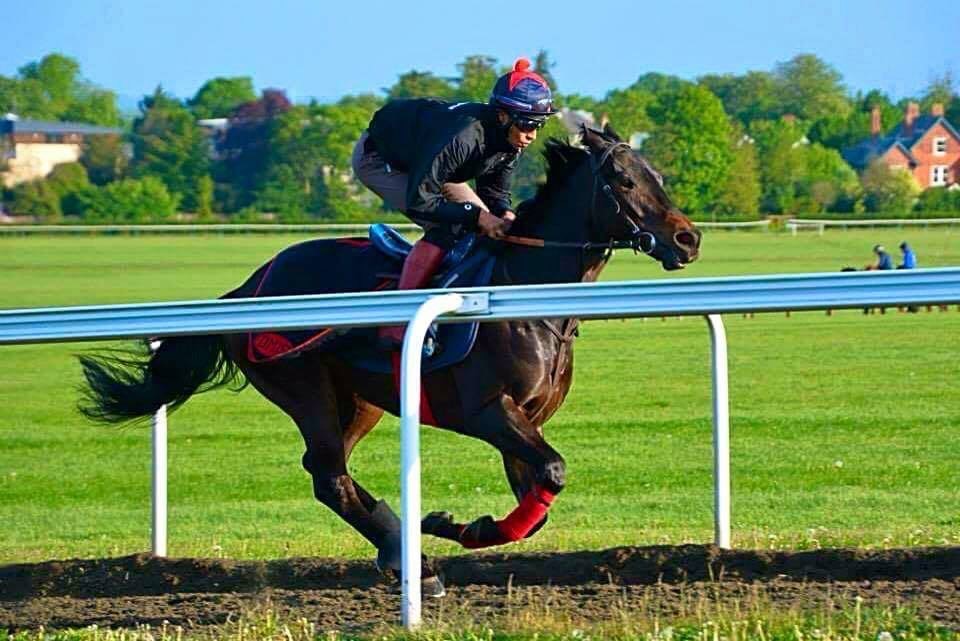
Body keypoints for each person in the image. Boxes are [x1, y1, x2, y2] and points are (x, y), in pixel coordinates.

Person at [352, 58, 556, 348]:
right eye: (526, 124)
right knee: (449, 227)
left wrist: (504, 216)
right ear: (502, 116)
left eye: (539, 124)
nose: (531, 134)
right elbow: (421, 200)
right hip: (383, 160)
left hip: (435, 164)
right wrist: (477, 218)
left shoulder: (511, 142)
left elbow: (495, 195)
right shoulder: (463, 137)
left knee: (484, 225)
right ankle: (396, 322)